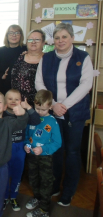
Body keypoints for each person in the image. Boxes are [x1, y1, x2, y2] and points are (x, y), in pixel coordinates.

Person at [35, 23, 93, 206]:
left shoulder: (83, 57)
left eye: (64, 37)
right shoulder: (47, 58)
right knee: (55, 151)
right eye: (57, 38)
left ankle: (68, 192)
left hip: (74, 114)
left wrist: (64, 106)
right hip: (53, 112)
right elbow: (39, 83)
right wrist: (53, 105)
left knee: (73, 152)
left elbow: (86, 85)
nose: (60, 41)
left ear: (72, 38)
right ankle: (55, 187)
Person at [24, 90, 62, 217]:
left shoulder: (52, 122)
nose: (39, 112)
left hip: (45, 157)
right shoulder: (31, 118)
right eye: (37, 108)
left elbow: (58, 142)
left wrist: (44, 149)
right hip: (32, 156)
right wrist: (26, 145)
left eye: (43, 110)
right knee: (33, 177)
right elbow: (27, 135)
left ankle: (44, 208)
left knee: (46, 181)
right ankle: (37, 198)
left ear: (50, 107)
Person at [3, 89, 40, 212]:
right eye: (10, 99)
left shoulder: (24, 114)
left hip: (19, 149)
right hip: (4, 149)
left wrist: (27, 107)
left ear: (21, 101)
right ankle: (3, 198)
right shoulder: (1, 114)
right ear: (4, 101)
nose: (13, 101)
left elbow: (37, 121)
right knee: (3, 175)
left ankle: (13, 196)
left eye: (16, 99)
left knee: (17, 175)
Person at [11, 29, 45, 106]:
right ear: (26, 42)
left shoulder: (48, 59)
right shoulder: (19, 58)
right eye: (30, 39)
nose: (33, 42)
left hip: (41, 104)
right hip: (20, 104)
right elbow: (13, 82)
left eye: (37, 39)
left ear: (43, 43)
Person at [0, 25, 27, 95]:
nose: (14, 35)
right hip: (5, 86)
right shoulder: (0, 51)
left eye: (17, 33)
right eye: (11, 33)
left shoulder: (26, 49)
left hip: (22, 86)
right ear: (7, 36)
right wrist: (2, 75)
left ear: (21, 36)